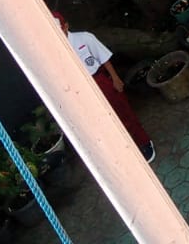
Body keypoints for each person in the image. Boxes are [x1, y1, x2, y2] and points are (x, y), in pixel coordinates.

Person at [55, 12, 155, 161]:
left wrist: (115, 78)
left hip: (100, 80)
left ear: (66, 26)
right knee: (104, 120)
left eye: (61, 30)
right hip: (82, 88)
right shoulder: (56, 50)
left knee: (123, 113)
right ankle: (127, 149)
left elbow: (103, 57)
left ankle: (143, 142)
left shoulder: (84, 38)